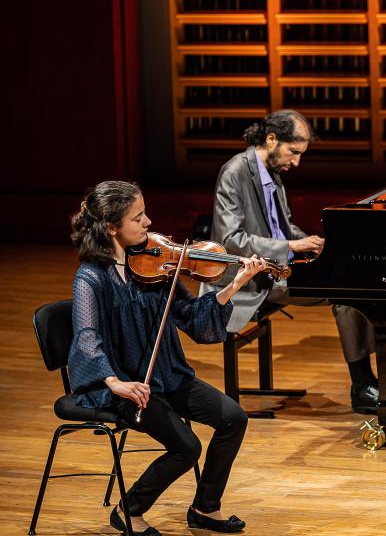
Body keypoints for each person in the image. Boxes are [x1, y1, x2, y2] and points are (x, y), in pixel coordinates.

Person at [69, 180, 268, 535]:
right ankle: (129, 510)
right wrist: (115, 383)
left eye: (145, 214)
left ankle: (205, 508)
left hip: (166, 374)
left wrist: (235, 284)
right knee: (186, 447)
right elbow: (86, 338)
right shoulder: (91, 277)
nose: (148, 223)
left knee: (233, 418)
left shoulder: (155, 266)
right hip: (121, 386)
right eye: (138, 217)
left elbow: (192, 317)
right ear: (111, 227)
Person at [201, 109, 383, 413]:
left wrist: (312, 242)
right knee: (345, 291)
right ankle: (363, 386)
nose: (296, 162)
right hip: (248, 279)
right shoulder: (234, 172)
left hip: (276, 269)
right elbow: (230, 240)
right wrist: (291, 245)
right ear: (272, 139)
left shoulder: (271, 172)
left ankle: (370, 382)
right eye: (293, 152)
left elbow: (281, 228)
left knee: (354, 281)